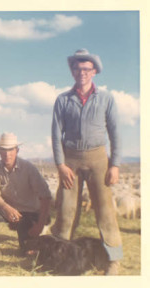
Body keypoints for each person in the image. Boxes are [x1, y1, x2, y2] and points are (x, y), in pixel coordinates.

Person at [51, 48, 123, 275]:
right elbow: (55, 134)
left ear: (94, 71)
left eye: (86, 68)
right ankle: (60, 257)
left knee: (105, 211)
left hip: (98, 158)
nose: (81, 72)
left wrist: (115, 165)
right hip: (70, 159)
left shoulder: (106, 99)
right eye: (77, 68)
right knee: (66, 210)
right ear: (72, 71)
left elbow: (115, 132)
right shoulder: (63, 100)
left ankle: (113, 260)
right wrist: (61, 165)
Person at [0, 133, 52, 259]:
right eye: (3, 150)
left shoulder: (29, 168)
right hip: (8, 210)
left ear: (17, 150)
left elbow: (45, 196)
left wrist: (39, 225)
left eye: (10, 150)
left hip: (29, 213)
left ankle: (29, 239)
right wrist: (6, 208)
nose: (7, 154)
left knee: (27, 253)